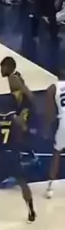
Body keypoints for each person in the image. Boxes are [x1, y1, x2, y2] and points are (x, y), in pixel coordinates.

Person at [0, 113, 36, 222]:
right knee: (23, 184)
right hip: (13, 157)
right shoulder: (16, 119)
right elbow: (23, 135)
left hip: (0, 158)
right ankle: (31, 211)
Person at [0, 56, 37, 164]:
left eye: (2, 67)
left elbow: (27, 92)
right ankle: (25, 154)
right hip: (21, 108)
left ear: (8, 67)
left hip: (24, 109)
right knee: (17, 133)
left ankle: (31, 156)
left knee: (18, 133)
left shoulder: (13, 78)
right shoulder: (15, 76)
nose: (1, 70)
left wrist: (34, 107)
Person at [44, 70, 65, 198]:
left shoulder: (52, 88)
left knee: (57, 152)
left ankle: (50, 187)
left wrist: (47, 129)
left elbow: (49, 113)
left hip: (64, 121)